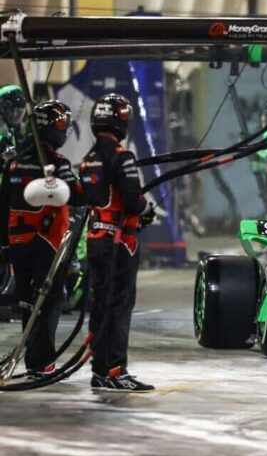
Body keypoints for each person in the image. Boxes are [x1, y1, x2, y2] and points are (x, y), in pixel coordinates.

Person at [0, 100, 83, 378]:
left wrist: (4, 245)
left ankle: (34, 361)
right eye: (61, 124)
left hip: (17, 244)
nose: (64, 129)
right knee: (48, 302)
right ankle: (41, 364)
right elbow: (77, 194)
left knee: (28, 302)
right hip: (47, 243)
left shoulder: (13, 164)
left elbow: (2, 205)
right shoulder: (56, 163)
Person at [80, 93, 155, 392]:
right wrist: (147, 210)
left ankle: (100, 370)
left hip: (95, 240)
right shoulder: (122, 156)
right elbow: (134, 202)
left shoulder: (87, 160)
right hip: (119, 243)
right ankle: (115, 370)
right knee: (119, 306)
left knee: (100, 305)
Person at [0, 84, 25, 160]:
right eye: (13, 111)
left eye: (20, 112)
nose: (16, 116)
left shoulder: (13, 133)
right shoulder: (2, 140)